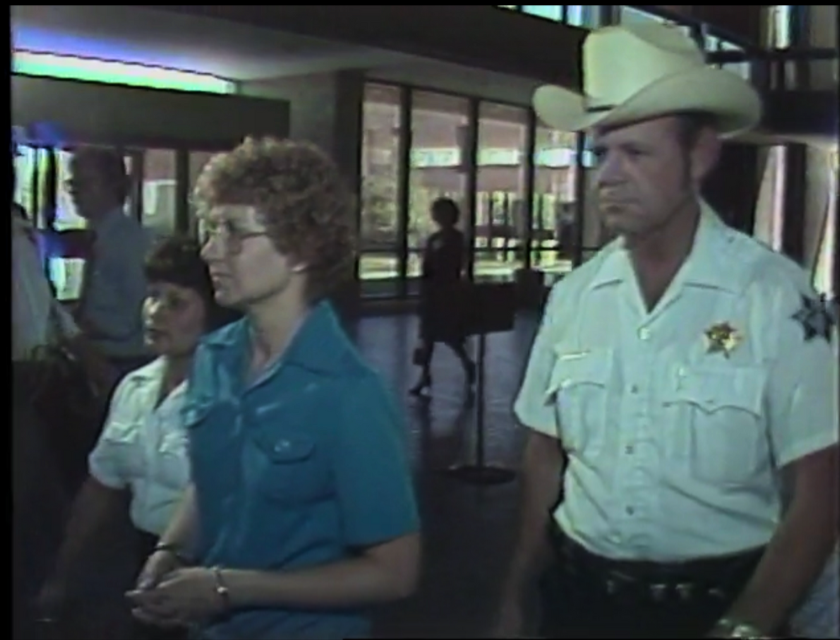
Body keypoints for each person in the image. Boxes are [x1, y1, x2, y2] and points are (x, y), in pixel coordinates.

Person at [495, 24, 838, 639]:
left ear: (700, 155)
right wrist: (518, 594)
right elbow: (545, 454)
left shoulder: (773, 297)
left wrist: (748, 626)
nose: (608, 176)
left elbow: (820, 485)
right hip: (579, 606)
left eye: (638, 153)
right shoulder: (575, 298)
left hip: (718, 607)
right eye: (601, 152)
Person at [127, 138, 421, 640]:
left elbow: (394, 572)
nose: (210, 250)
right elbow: (212, 481)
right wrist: (169, 553)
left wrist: (229, 589)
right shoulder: (213, 358)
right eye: (212, 228)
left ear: (301, 248)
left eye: (235, 232)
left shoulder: (348, 395)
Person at [36, 236, 240, 640]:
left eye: (175, 302)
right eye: (152, 297)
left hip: (214, 572)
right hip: (144, 563)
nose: (155, 312)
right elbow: (100, 488)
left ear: (213, 315)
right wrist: (61, 576)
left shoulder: (231, 396)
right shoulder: (134, 388)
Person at [69, 146, 152, 377]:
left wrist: (78, 326)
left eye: (86, 183)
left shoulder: (130, 242)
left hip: (123, 363)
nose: (76, 192)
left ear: (113, 185)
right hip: (97, 359)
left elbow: (136, 315)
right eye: (73, 185)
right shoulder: (98, 238)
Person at [410, 197, 476, 397]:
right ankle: (425, 375)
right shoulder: (434, 239)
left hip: (447, 293)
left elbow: (456, 265)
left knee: (450, 336)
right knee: (428, 338)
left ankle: (466, 364)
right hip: (432, 293)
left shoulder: (456, 239)